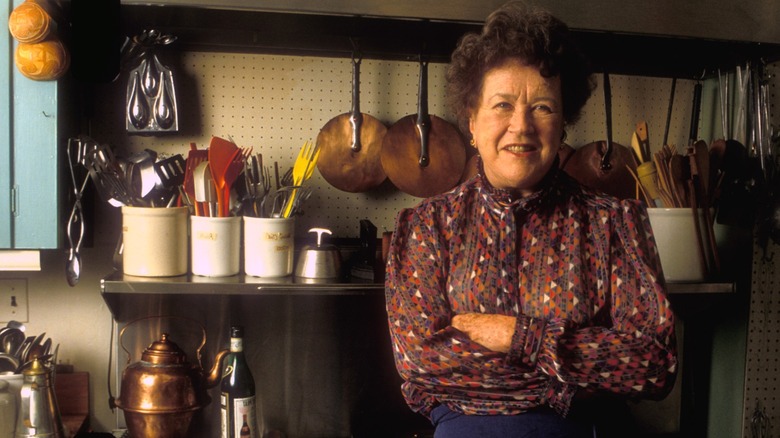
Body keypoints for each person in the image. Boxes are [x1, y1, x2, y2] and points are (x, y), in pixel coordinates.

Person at [384, 2, 678, 437]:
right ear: (473, 122)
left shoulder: (613, 222)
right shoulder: (429, 225)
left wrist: (519, 336)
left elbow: (653, 364)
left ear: (563, 123)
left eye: (541, 107)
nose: (521, 127)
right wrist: (570, 383)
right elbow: (419, 361)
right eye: (502, 105)